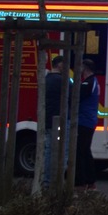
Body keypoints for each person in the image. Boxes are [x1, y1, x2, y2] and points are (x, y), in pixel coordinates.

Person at [41, 55, 67, 188]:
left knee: (49, 150)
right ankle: (54, 181)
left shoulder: (47, 79)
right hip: (58, 120)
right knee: (60, 151)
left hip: (47, 119)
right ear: (60, 65)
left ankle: (47, 180)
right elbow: (74, 94)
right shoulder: (61, 80)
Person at [76, 58, 100, 190]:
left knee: (80, 152)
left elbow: (76, 98)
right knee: (85, 151)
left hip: (84, 121)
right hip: (88, 121)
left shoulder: (88, 83)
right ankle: (90, 181)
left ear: (84, 68)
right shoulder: (93, 82)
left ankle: (81, 182)